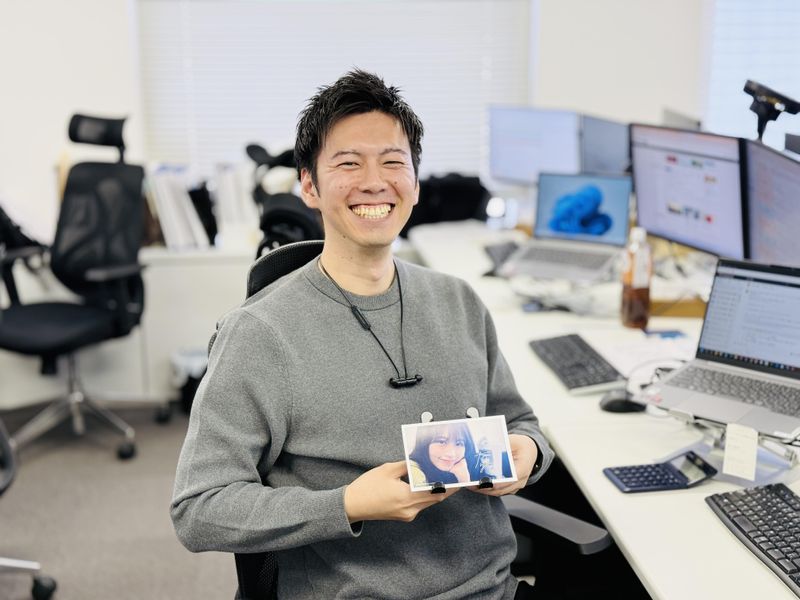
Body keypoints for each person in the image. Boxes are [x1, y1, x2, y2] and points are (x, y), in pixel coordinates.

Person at [171, 69, 554, 600]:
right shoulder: (260, 333)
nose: (375, 182)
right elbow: (198, 509)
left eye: (393, 162)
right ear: (309, 185)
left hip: (491, 590)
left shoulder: (459, 301)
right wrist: (347, 504)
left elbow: (521, 422)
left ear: (415, 183)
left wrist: (526, 451)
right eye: (348, 163)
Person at [408, 422, 480, 487]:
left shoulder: (472, 467)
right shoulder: (414, 472)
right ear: (424, 443)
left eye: (458, 443)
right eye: (441, 442)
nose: (451, 454)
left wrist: (464, 479)